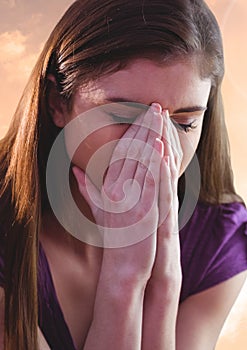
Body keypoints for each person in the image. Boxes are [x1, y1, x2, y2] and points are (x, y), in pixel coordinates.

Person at [0, 0, 246, 349]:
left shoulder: (220, 240)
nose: (154, 144)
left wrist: (163, 280)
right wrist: (124, 278)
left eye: (184, 122)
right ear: (57, 102)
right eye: (122, 116)